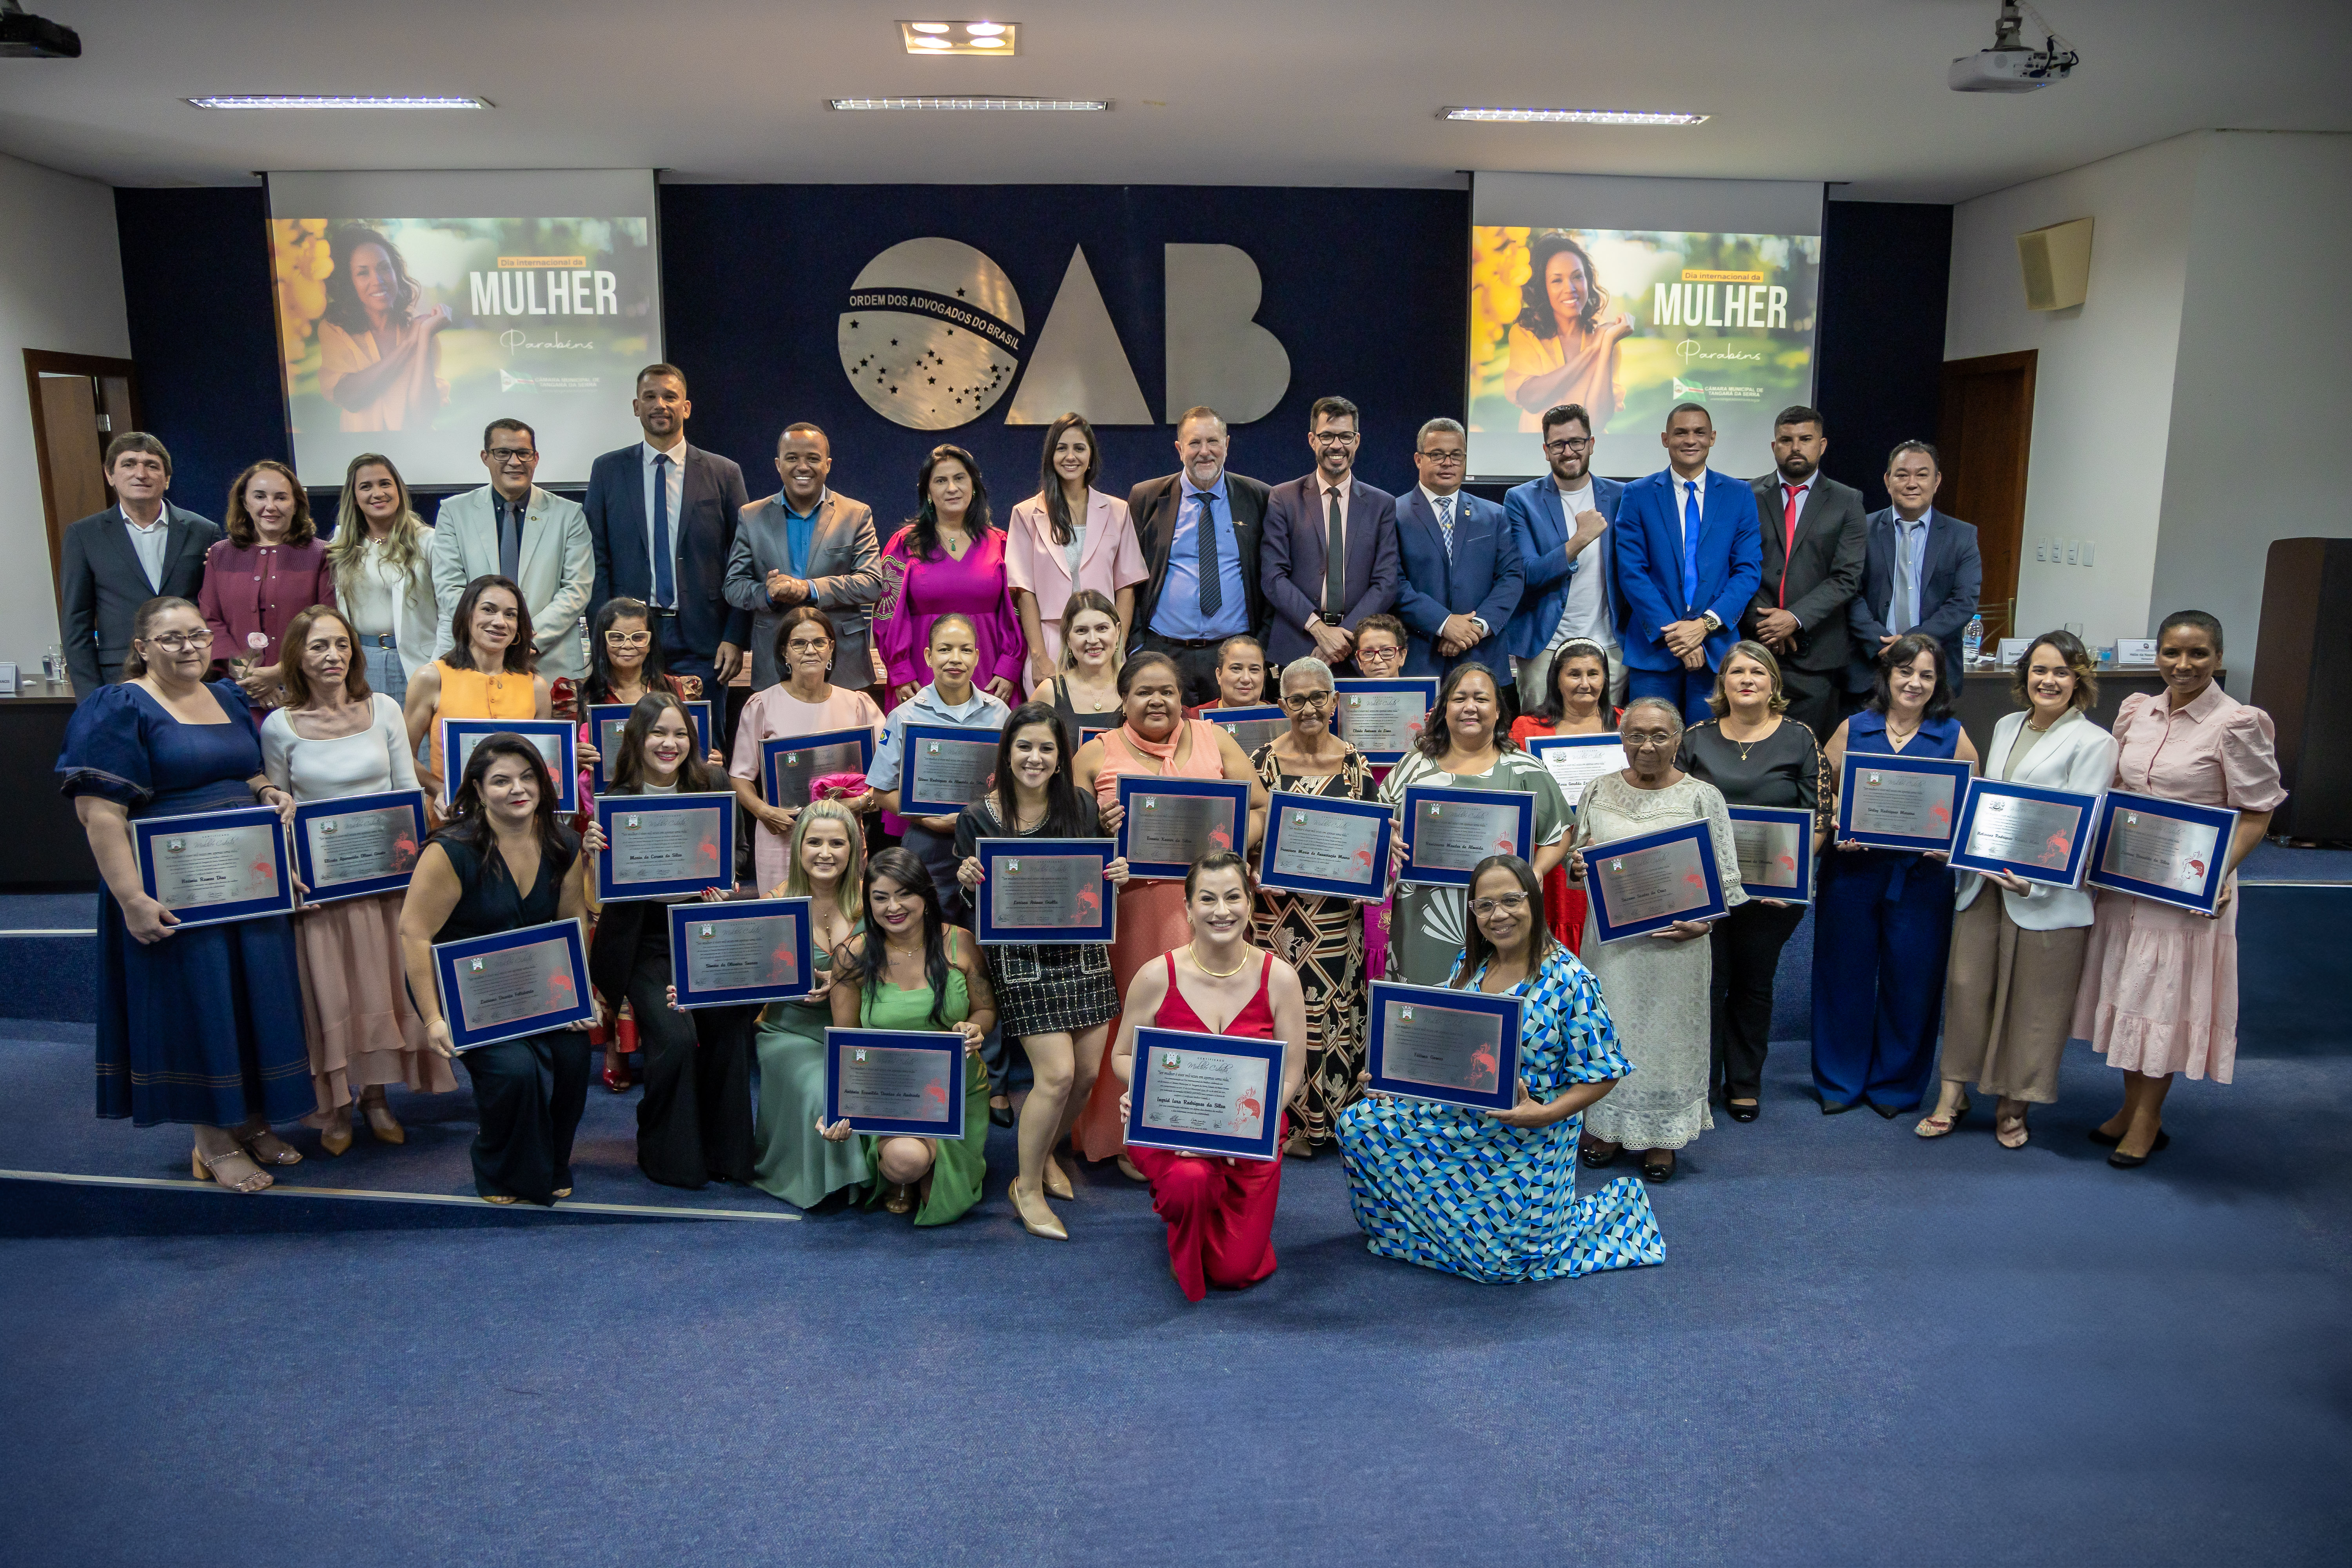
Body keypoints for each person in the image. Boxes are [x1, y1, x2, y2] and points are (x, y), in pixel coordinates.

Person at [58, 596, 311, 1194]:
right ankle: (212, 1139)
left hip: (248, 884)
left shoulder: (226, 697)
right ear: (142, 647)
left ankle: (249, 1121)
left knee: (252, 1004)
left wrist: (268, 788)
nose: (190, 647)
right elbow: (98, 814)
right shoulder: (117, 706)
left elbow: (239, 769)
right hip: (173, 886)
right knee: (201, 1008)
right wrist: (131, 899)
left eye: (197, 635)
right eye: (172, 639)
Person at [1339, 854, 1664, 1281]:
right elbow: (1443, 1041)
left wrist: (1545, 1114)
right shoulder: (1470, 964)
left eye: (1512, 900)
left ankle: (1609, 1213)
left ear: (1534, 901)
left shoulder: (1572, 980)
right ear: (1472, 912)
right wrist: (1393, 1075)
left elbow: (1605, 1071)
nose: (1499, 915)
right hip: (1460, 1118)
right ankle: (1424, 1232)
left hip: (1531, 1135)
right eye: (1485, 905)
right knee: (1359, 1125)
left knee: (1501, 1267)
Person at [2069, 611, 2285, 1169]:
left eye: (2197, 654)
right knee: (2129, 992)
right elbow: (2117, 789)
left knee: (2160, 997)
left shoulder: (2238, 723)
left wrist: (2212, 880)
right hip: (2127, 880)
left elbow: (2258, 816)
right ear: (2157, 655)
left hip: (2189, 890)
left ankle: (2147, 1119)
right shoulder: (2138, 712)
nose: (2182, 665)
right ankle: (2128, 1107)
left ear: (2219, 658)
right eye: (2171, 653)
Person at [1068, 652, 1272, 1165]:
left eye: (1168, 691)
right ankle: (1130, 1139)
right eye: (1144, 692)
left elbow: (1263, 807)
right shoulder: (1096, 755)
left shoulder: (1214, 738)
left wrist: (1226, 853)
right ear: (1124, 700)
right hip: (1134, 907)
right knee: (1140, 1022)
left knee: (1202, 1016)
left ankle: (1206, 1125)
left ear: (1183, 697)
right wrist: (1097, 828)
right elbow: (1064, 840)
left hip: (1209, 909)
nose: (1157, 701)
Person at [261, 604, 450, 1153]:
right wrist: (292, 874)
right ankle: (338, 1107)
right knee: (332, 995)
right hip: (321, 891)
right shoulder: (280, 726)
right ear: (297, 655)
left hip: (386, 881)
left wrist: (416, 870)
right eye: (319, 646)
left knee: (382, 989)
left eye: (341, 645)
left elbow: (404, 793)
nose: (333, 656)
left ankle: (375, 1098)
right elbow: (280, 807)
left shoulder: (385, 708)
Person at [1918, 631, 2116, 1147]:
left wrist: (2037, 879)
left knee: (2033, 1003)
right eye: (2040, 670)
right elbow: (1992, 803)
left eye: (2062, 673)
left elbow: (2082, 822)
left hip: (2043, 892)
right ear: (2024, 675)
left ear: (2080, 681)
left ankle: (2014, 1104)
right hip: (1985, 882)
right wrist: (1961, 844)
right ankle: (1952, 1094)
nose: (2049, 681)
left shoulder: (2095, 741)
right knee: (1966, 988)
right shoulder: (2007, 725)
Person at [953, 704, 1132, 1239]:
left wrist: (1115, 873)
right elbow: (974, 901)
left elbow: (1094, 877)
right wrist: (968, 879)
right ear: (1007, 752)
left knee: (1084, 1074)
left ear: (1060, 759)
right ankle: (1025, 1185)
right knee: (1053, 1074)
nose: (1035, 758)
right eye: (1025, 746)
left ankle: (1048, 1148)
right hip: (1021, 961)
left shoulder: (1079, 804)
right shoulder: (976, 818)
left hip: (1082, 952)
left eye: (1047, 749)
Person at [1107, 851, 1309, 1303]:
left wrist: (1242, 1131)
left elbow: (1291, 1075)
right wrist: (1145, 1087)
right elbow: (1123, 1055)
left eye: (1233, 897)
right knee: (1189, 1182)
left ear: (1250, 903)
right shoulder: (1157, 975)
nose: (1222, 911)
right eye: (1208, 899)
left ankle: (1217, 1220)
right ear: (1187, 908)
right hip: (1174, 1131)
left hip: (1249, 1137)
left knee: (1236, 1271)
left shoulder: (1280, 979)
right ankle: (1188, 1214)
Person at [398, 735, 591, 1205]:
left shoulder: (563, 842)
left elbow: (574, 923)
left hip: (536, 983)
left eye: (527, 778)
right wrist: (432, 1018)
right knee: (515, 1071)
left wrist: (583, 995)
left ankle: (553, 1160)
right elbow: (415, 934)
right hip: (465, 991)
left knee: (573, 1055)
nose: (518, 789)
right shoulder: (451, 850)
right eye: (501, 781)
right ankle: (497, 1164)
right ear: (479, 791)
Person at [581, 694, 756, 1189]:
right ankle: (666, 1152)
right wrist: (591, 852)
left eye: (680, 734)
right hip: (645, 941)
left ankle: (727, 1154)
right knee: (675, 1040)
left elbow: (737, 851)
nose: (670, 743)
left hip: (705, 930)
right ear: (637, 738)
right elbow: (603, 894)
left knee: (728, 1026)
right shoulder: (616, 799)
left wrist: (726, 884)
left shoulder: (714, 783)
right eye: (658, 732)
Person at [1570, 696, 1746, 1181]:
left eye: (1659, 735)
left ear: (1679, 738)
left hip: (1678, 948)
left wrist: (1705, 923)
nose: (1647, 746)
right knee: (1610, 1030)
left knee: (1669, 1037)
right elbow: (1575, 863)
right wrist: (1578, 865)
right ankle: (1605, 1126)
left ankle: (1660, 1136)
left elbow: (1726, 880)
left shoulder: (1702, 797)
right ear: (1621, 739)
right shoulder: (1597, 789)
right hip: (1611, 948)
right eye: (1636, 735)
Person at [1813, 633, 1982, 1115]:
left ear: (1939, 683)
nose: (1915, 682)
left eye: (1927, 675)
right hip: (1852, 872)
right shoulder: (1854, 728)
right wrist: (1835, 821)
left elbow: (1970, 810)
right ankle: (1839, 1081)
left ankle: (1896, 1085)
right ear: (1887, 676)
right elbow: (1821, 793)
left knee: (1913, 981)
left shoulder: (1954, 735)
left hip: (1921, 880)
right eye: (1906, 672)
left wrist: (1949, 841)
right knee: (1842, 976)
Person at [1677, 641, 1829, 1123]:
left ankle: (1744, 1084)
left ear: (1773, 684)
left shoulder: (1800, 738)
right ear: (1722, 682)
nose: (1747, 679)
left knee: (1753, 983)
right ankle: (1700, 1082)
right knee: (1708, 983)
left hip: (1772, 892)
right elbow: (1676, 809)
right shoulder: (1695, 737)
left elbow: (1820, 818)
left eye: (1758, 672)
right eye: (1737, 671)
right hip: (1706, 887)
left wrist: (1789, 880)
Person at [817, 849, 997, 1223]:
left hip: (956, 1086)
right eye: (880, 898)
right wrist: (836, 1107)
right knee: (906, 1161)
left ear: (926, 897)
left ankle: (930, 1166)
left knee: (948, 1204)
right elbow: (845, 1041)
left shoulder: (961, 942)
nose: (893, 907)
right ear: (868, 903)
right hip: (889, 1091)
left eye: (904, 894)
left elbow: (986, 1011)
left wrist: (975, 1027)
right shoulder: (853, 954)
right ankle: (906, 1169)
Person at [1250, 655, 1377, 1157]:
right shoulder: (1261, 762)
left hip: (1335, 918)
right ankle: (1286, 1123)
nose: (1309, 708)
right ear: (1282, 705)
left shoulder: (1356, 764)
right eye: (1297, 699)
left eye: (1318, 698)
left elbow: (1370, 841)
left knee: (1331, 1013)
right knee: (1281, 1012)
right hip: (1274, 915)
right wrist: (1254, 870)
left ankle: (1332, 1118)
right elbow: (1247, 837)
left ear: (1335, 702)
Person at [1380, 662, 1570, 989]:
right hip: (1419, 917)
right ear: (1443, 709)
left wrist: (1537, 871)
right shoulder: (1414, 763)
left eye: (1481, 699)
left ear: (1498, 711)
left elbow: (1561, 832)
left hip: (1502, 917)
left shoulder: (1524, 768)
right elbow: (1379, 820)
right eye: (1459, 698)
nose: (1470, 707)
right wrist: (1388, 838)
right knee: (1422, 1011)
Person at [585, 364, 753, 693]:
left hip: (705, 640)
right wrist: (603, 632)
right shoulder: (607, 471)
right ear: (637, 407)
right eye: (650, 397)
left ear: (686, 407)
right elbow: (595, 558)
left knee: (702, 740)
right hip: (629, 637)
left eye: (670, 397)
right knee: (633, 739)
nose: (660, 404)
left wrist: (735, 636)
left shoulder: (724, 473)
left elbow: (743, 560)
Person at [1611, 403, 1764, 723]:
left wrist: (1702, 627)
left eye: (1699, 432)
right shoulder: (1637, 495)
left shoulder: (1739, 494)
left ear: (1713, 438)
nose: (1690, 440)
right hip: (1655, 651)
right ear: (1666, 439)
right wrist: (1679, 637)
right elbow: (1631, 572)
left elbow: (1747, 571)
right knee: (1649, 744)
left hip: (1716, 650)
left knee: (1706, 751)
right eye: (1681, 432)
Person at [749, 800, 867, 1208]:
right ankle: (827, 1181)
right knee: (825, 1092)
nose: (825, 852)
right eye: (814, 842)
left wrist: (851, 980)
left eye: (837, 843)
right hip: (790, 1031)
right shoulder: (772, 904)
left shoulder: (875, 904)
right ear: (798, 848)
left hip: (859, 1033)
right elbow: (744, 980)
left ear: (853, 850)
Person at [729, 606, 885, 896]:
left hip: (841, 837)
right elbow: (739, 777)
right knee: (786, 928)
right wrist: (764, 812)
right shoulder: (762, 705)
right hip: (781, 837)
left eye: (819, 642)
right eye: (798, 643)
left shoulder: (858, 705)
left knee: (845, 924)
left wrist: (861, 803)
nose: (810, 650)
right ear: (785, 653)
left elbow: (890, 772)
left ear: (831, 648)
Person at [1126, 407, 1274, 706]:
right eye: (1195, 443)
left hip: (1233, 657)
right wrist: (1137, 646)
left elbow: (1273, 577)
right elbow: (1129, 577)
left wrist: (1262, 644)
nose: (1204, 452)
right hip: (1164, 653)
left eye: (1213, 442)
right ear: (1180, 449)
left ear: (1227, 445)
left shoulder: (1259, 497)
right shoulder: (1147, 497)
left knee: (1229, 744)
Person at [429, 419, 595, 682]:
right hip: (472, 658)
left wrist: (526, 638)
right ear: (486, 457)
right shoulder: (454, 512)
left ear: (536, 458)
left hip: (548, 658)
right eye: (503, 453)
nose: (515, 462)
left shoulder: (569, 514)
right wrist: (492, 637)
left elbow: (577, 588)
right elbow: (449, 587)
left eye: (523, 453)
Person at [726, 422, 885, 695]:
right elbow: (734, 587)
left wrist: (808, 589)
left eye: (813, 458)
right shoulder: (751, 517)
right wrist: (768, 593)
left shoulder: (856, 514)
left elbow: (871, 583)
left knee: (844, 739)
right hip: (775, 660)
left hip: (843, 664)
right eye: (792, 458)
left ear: (828, 464)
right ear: (778, 464)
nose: (803, 467)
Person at [59, 432, 221, 693]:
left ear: (167, 479)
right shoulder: (84, 535)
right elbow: (76, 622)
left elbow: (215, 610)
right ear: (110, 475)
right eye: (129, 464)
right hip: (119, 675)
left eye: (152, 465)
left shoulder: (203, 530)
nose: (141, 474)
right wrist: (91, 697)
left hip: (190, 672)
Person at [1744, 406, 1867, 742]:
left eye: (1805, 439)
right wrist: (1767, 623)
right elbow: (1737, 568)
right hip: (1757, 647)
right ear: (1774, 447)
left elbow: (1846, 577)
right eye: (1786, 440)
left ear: (1822, 445)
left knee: (1807, 756)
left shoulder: (1847, 501)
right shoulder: (1747, 496)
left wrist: (1794, 618)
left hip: (1817, 655)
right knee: (1751, 750)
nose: (1795, 447)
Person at [867, 611, 1012, 890]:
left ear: (978, 657)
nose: (955, 658)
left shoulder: (1000, 714)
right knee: (933, 922)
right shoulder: (903, 716)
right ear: (928, 656)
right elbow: (881, 792)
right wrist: (930, 820)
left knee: (983, 920)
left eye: (965, 650)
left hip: (987, 834)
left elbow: (1013, 783)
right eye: (945, 649)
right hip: (927, 840)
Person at [873, 445, 1026, 705]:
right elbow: (887, 616)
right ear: (928, 492)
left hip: (990, 678)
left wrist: (1010, 667)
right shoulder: (903, 544)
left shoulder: (1002, 545)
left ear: (974, 486)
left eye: (959, 478)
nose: (952, 488)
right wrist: (900, 672)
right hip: (920, 681)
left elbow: (1019, 614)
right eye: (941, 481)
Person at [1258, 395, 1401, 669]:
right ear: (1312, 440)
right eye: (1327, 437)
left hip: (1362, 650)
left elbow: (1386, 582)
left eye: (1346, 437)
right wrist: (1319, 629)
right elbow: (1273, 577)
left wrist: (1345, 636)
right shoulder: (1284, 498)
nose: (1337, 446)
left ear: (1357, 441)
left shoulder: (1382, 504)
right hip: (1299, 644)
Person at [1005, 411, 1147, 682]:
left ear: (1091, 456)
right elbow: (1025, 591)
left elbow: (1126, 588)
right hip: (1050, 642)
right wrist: (1038, 657)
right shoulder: (1025, 514)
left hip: (1102, 645)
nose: (1071, 457)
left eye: (1079, 448)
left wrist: (1117, 648)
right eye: (1062, 448)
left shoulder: (1117, 511)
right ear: (1051, 455)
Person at [1505, 402, 1626, 713]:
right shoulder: (1521, 500)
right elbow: (1528, 574)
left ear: (1592, 445)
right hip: (1544, 644)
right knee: (1538, 737)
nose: (1568, 451)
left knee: (1605, 738)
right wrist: (1580, 540)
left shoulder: (1622, 496)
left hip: (1610, 644)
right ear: (1546, 450)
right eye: (1558, 444)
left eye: (1577, 442)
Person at [403, 575, 554, 809]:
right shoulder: (431, 678)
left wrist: (568, 758)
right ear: (467, 616)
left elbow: (541, 762)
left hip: (520, 820)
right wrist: (440, 790)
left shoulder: (537, 686)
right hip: (455, 818)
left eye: (510, 614)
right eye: (488, 610)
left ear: (519, 627)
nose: (500, 622)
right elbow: (404, 756)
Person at [1848, 440, 1982, 702]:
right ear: (1888, 481)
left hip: (1935, 673)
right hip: (1869, 667)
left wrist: (1911, 644)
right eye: (1902, 475)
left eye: (1922, 475)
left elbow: (1964, 602)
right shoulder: (1860, 530)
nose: (1912, 484)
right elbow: (1849, 594)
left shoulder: (1962, 536)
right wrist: (1884, 643)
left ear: (1937, 481)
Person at [1506, 637, 1617, 953]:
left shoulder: (1625, 724)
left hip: (1606, 844)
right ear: (1556, 679)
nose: (1585, 683)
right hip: (1550, 853)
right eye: (1574, 674)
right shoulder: (1527, 728)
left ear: (1606, 679)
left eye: (1593, 674)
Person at [199, 459, 336, 704]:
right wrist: (248, 674)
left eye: (281, 498)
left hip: (307, 690)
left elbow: (327, 623)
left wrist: (278, 673)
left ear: (296, 504)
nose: (270, 507)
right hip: (238, 692)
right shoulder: (220, 554)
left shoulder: (321, 554)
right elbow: (211, 619)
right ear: (245, 503)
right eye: (260, 497)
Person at [1392, 419, 1519, 678]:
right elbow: (1393, 582)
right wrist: (1444, 624)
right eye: (1437, 455)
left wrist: (1476, 627)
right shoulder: (1392, 514)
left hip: (1482, 656)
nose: (1448, 463)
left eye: (1456, 456)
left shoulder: (1495, 516)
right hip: (1420, 657)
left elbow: (1512, 577)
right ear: (1419, 459)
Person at [323, 452, 438, 704]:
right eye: (366, 487)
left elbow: (451, 611)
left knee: (417, 743)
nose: (378, 493)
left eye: (385, 484)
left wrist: (441, 663)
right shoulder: (342, 543)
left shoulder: (429, 541)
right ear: (354, 498)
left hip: (417, 660)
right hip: (359, 661)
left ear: (399, 489)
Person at [315, 223, 449, 432]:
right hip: (361, 456)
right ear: (349, 282)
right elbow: (350, 397)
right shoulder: (335, 329)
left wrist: (423, 339)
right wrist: (410, 343)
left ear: (396, 273)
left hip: (418, 452)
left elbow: (423, 417)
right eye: (363, 273)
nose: (377, 281)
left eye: (384, 268)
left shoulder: (423, 328)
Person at [1501, 230, 1633, 434]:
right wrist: (1591, 352)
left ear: (1588, 281)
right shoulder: (1525, 333)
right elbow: (1532, 399)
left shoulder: (1608, 338)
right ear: (1543, 288)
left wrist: (1606, 345)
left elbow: (1596, 422)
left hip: (1587, 459)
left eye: (1577, 277)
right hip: (1536, 455)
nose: (1570, 288)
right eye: (1557, 280)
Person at [1031, 588, 1124, 754]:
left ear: (1117, 632)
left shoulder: (1138, 683)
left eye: (1102, 628)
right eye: (1082, 631)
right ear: (1068, 638)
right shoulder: (1050, 691)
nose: (1093, 640)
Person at [1198, 633, 1267, 711]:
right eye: (1236, 668)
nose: (1246, 679)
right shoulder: (1193, 718)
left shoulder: (1281, 716)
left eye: (1254, 670)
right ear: (1219, 675)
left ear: (1264, 675)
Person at [1350, 612, 1409, 683]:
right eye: (1368, 652)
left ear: (1402, 657)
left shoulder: (1420, 693)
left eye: (1386, 650)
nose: (1377, 660)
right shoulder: (1342, 694)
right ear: (1359, 661)